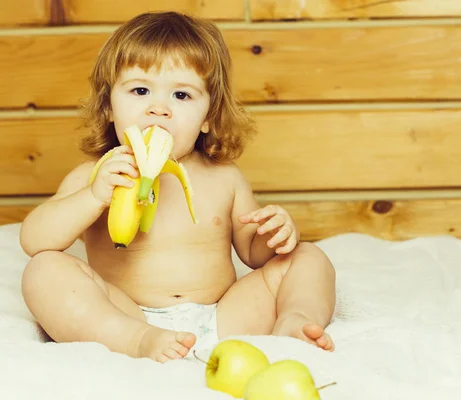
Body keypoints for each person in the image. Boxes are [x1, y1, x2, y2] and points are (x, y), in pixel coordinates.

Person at [19, 11, 336, 363]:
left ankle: (295, 320)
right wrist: (92, 198)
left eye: (181, 96)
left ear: (208, 117)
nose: (159, 109)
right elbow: (36, 241)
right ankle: (135, 341)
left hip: (225, 317)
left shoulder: (224, 177)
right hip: (127, 314)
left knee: (307, 257)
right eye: (140, 90)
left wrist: (273, 233)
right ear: (109, 106)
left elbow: (254, 254)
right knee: (43, 270)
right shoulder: (96, 175)